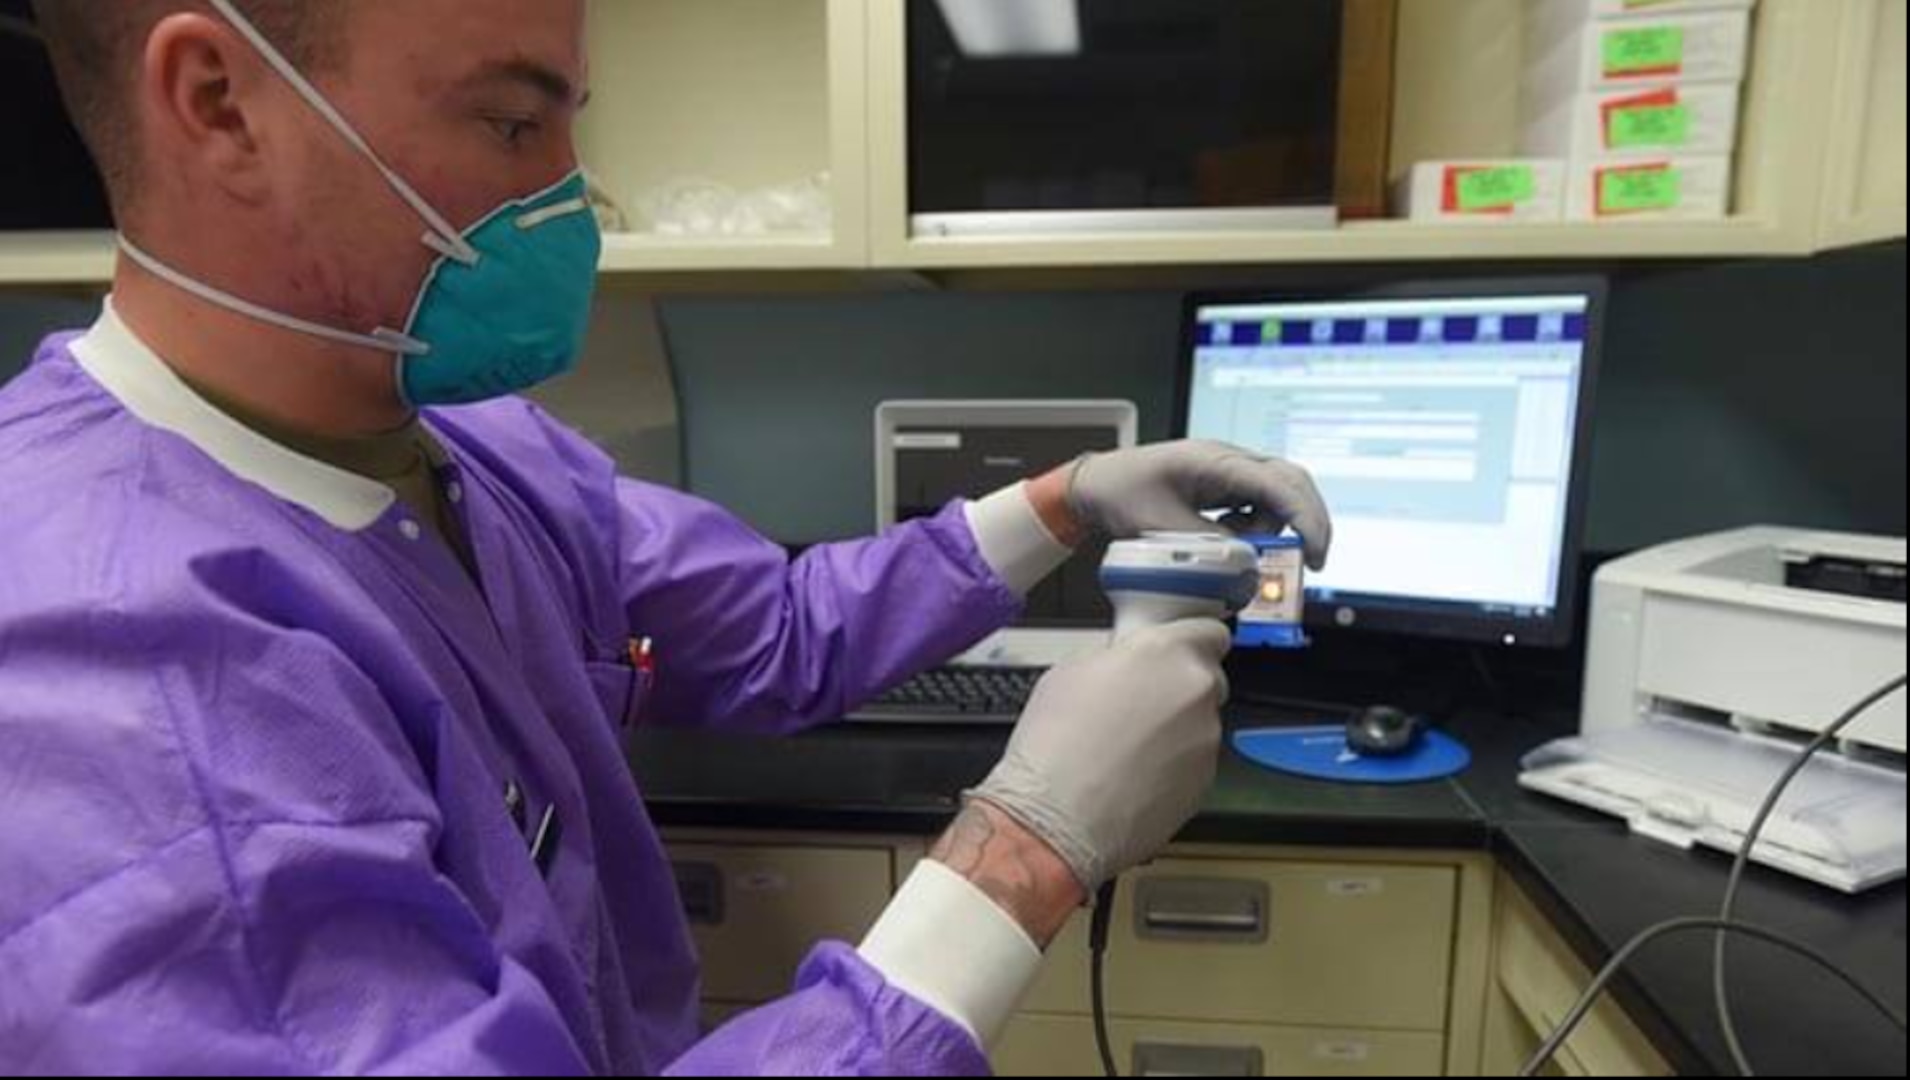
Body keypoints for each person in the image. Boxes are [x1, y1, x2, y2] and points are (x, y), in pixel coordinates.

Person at [0, 1, 1332, 1074]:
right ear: (220, 101)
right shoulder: (120, 681)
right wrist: (1020, 856)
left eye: (569, 125)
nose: (570, 201)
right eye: (510, 119)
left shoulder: (470, 445)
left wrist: (1064, 501)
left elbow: (776, 630)